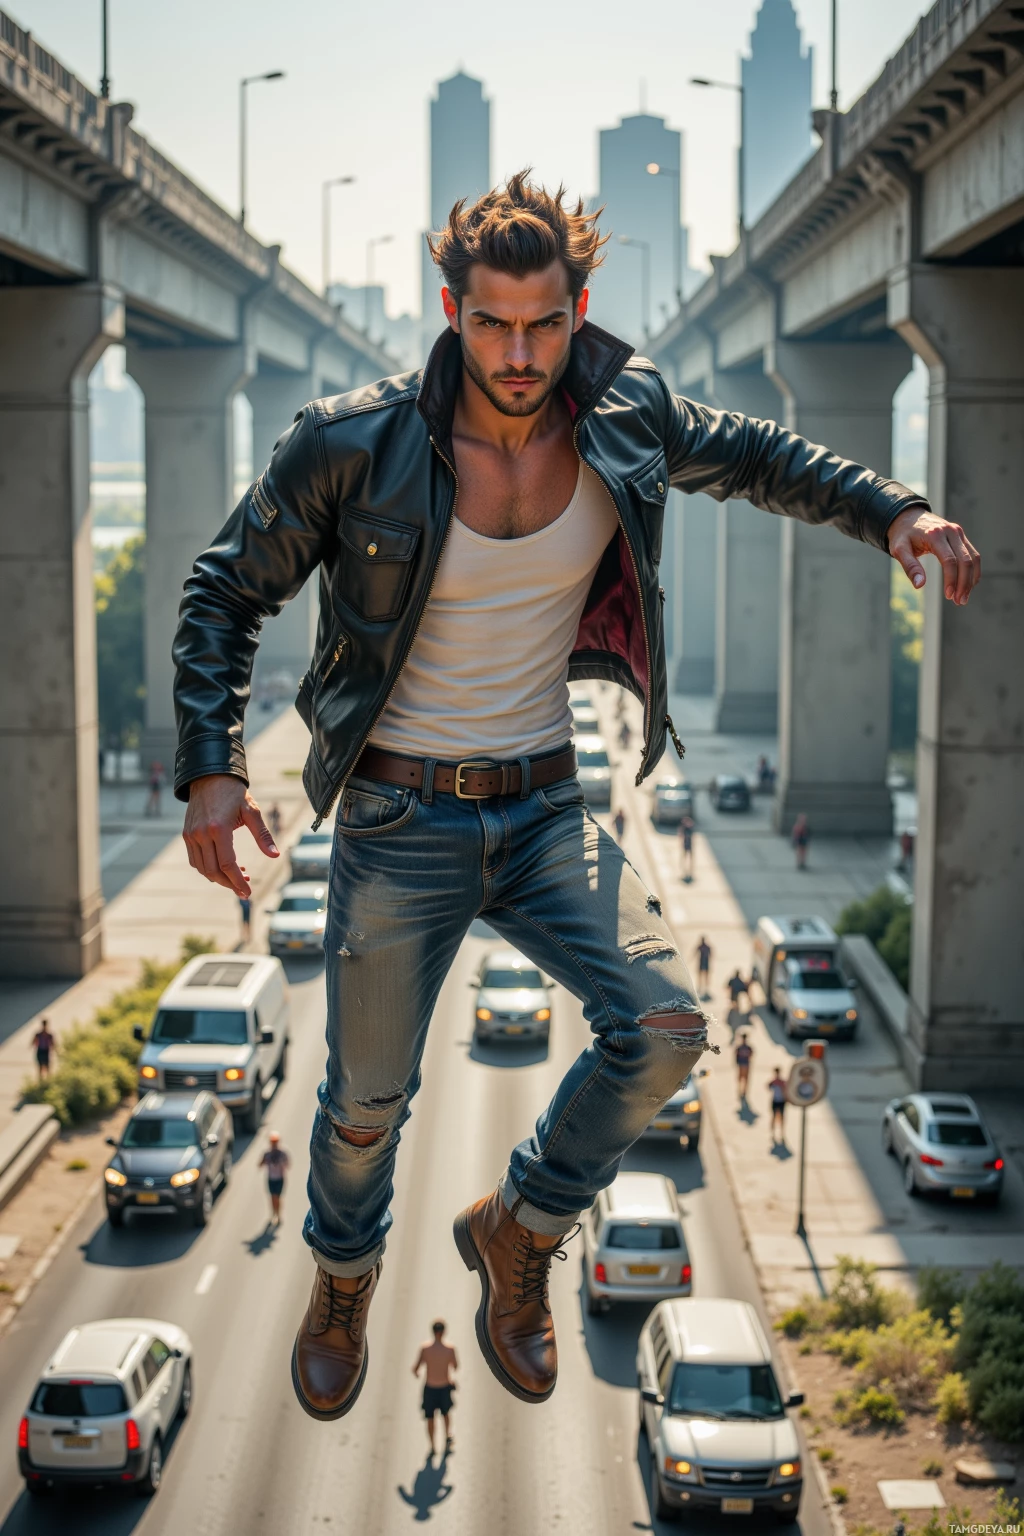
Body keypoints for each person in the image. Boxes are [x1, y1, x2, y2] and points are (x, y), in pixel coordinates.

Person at [171, 172, 979, 1425]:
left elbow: (764, 456)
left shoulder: (627, 413)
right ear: (452, 312)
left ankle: (519, 1227)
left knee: (665, 1031)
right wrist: (213, 767)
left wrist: (895, 510)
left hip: (549, 808)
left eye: (544, 325)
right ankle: (343, 1281)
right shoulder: (351, 441)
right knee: (362, 1108)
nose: (518, 354)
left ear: (577, 308)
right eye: (490, 325)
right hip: (396, 820)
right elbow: (224, 589)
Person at [412, 1320, 459, 1457]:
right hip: (444, 1386)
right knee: (446, 1414)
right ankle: (447, 1436)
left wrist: (418, 1373)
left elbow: (415, 1369)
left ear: (432, 1332)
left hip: (430, 1387)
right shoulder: (450, 1349)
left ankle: (432, 1446)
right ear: (444, 1332)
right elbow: (455, 1366)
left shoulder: (425, 1349)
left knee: (430, 1418)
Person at [260, 1131, 290, 1224]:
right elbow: (260, 1165)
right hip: (271, 1178)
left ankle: (278, 1214)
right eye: (272, 1142)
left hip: (280, 1178)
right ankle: (274, 1213)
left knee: (277, 1197)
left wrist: (282, 1163)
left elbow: (288, 1165)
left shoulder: (282, 1153)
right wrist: (264, 1160)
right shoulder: (267, 1154)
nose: (274, 1144)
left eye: (275, 1142)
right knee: (273, 1197)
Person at [768, 1067, 788, 1144]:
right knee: (774, 1117)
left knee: (781, 1117)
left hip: (781, 1101)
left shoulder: (782, 1082)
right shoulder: (774, 1082)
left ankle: (781, 1132)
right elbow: (768, 1087)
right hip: (775, 1100)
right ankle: (773, 1132)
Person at [734, 1032, 753, 1100]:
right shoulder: (740, 1047)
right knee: (740, 1078)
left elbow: (751, 1055)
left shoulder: (748, 1048)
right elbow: (736, 1055)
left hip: (746, 1064)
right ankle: (740, 1090)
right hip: (741, 1064)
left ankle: (744, 1091)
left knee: (746, 1079)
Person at [679, 814, 695, 882]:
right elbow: (681, 834)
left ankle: (689, 867)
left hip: (689, 844)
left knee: (689, 856)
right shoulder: (685, 829)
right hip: (686, 844)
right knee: (686, 856)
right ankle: (685, 866)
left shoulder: (689, 829)